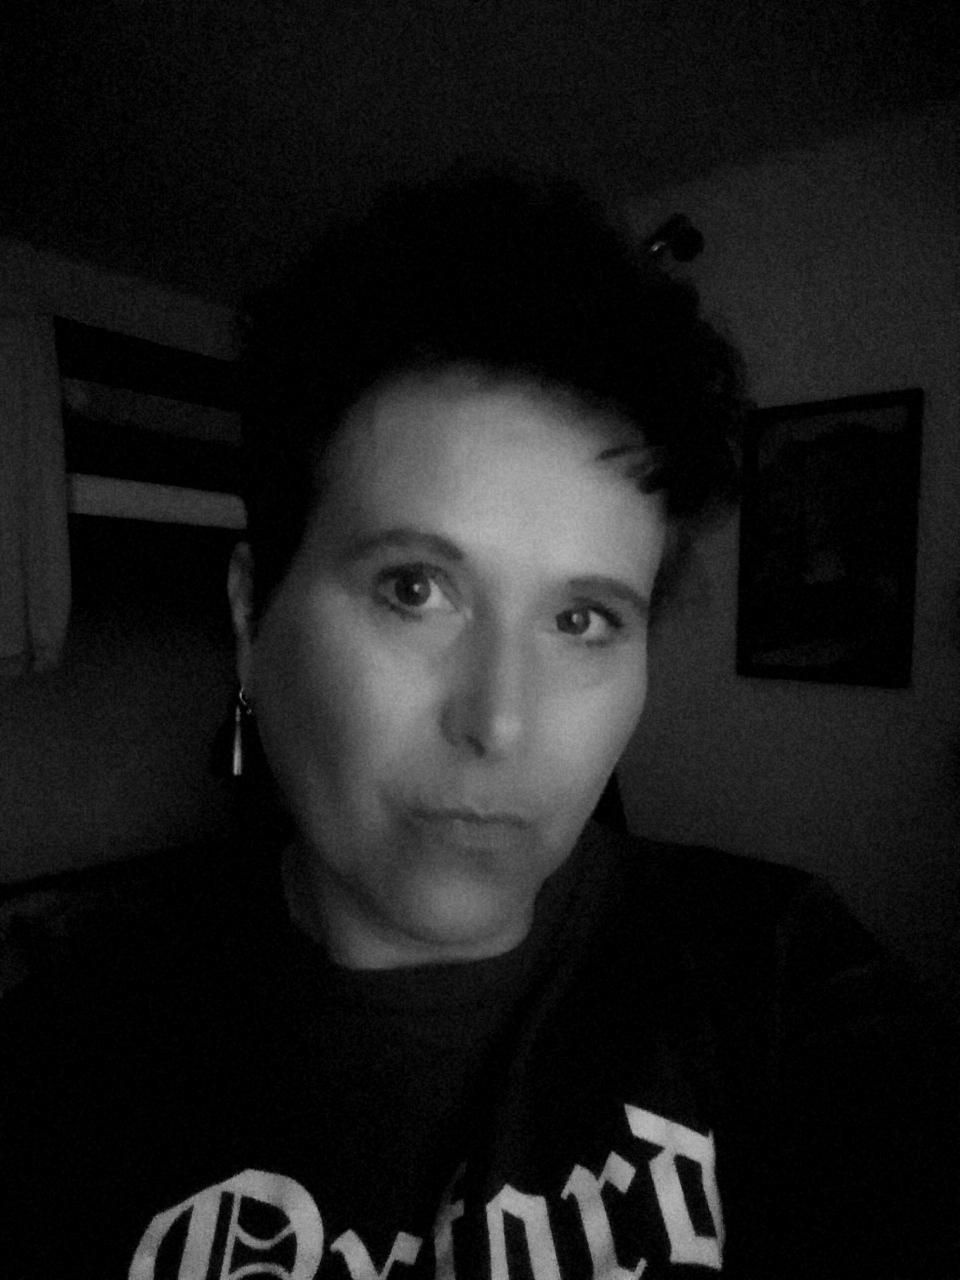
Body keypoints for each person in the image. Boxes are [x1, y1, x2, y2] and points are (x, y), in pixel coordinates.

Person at [1, 168, 956, 1280]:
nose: (500, 721)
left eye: (584, 619)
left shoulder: (779, 978)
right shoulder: (67, 1059)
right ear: (252, 613)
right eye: (415, 588)